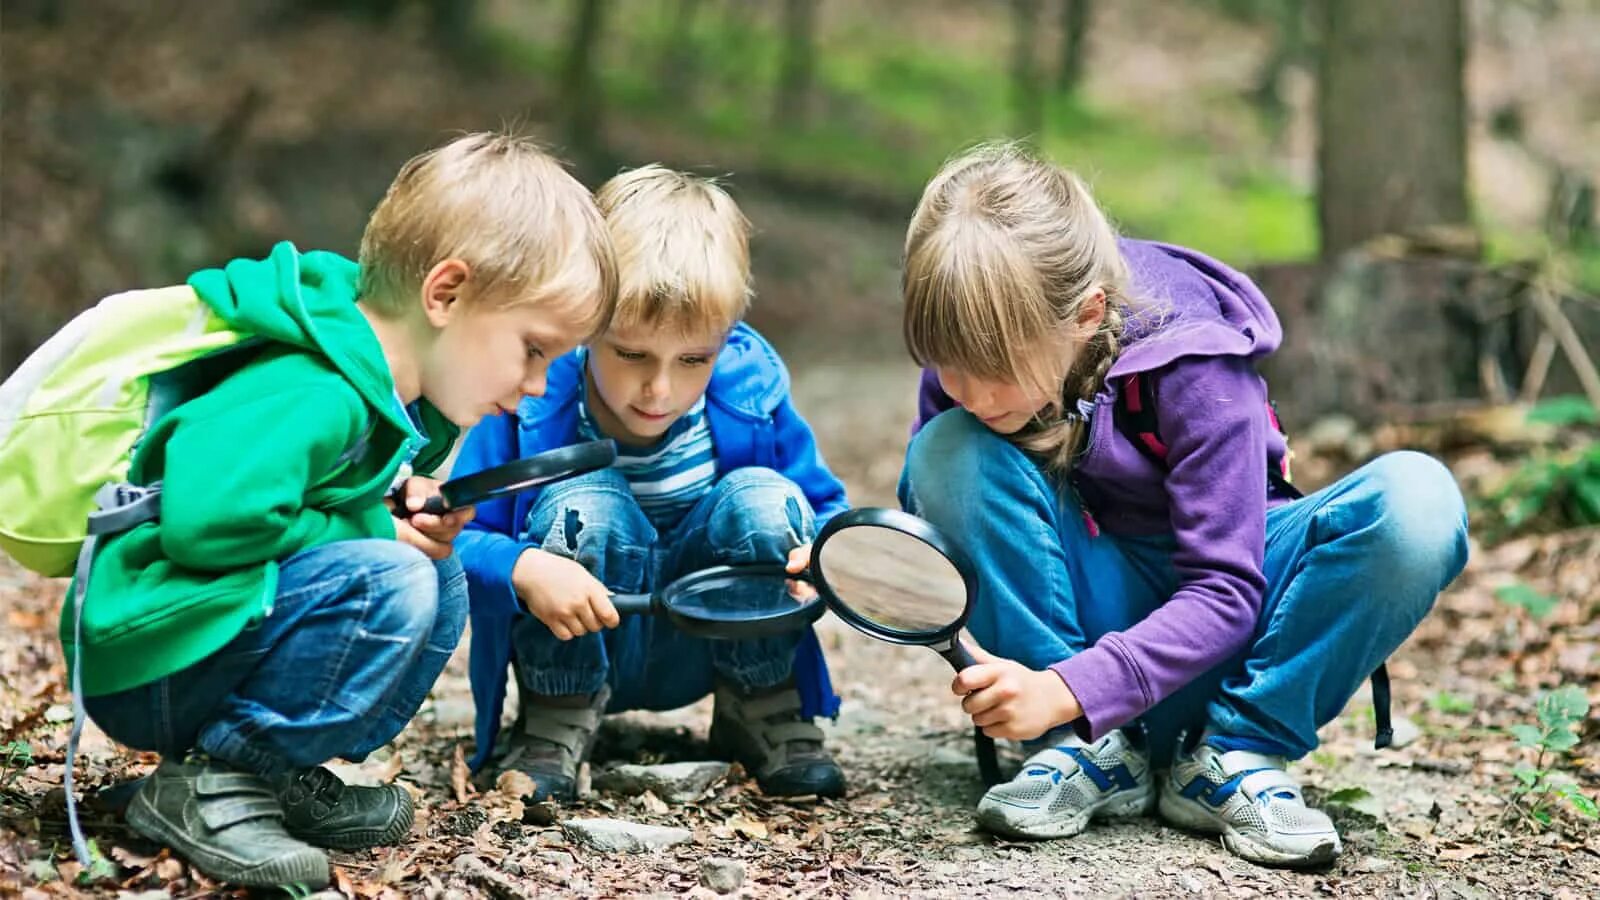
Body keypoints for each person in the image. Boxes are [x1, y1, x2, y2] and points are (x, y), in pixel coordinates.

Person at [62, 133, 617, 889]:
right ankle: (212, 782)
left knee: (435, 573)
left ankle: (263, 773)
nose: (540, 385)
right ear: (445, 293)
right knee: (393, 578)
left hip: (201, 636)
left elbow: (309, 507)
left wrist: (388, 507)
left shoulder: (370, 391)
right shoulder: (314, 387)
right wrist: (370, 528)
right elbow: (208, 521)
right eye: (533, 349)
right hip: (151, 653)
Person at [896, 142, 1469, 867]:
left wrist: (1068, 688)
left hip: (1230, 644)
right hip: (1078, 661)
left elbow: (1227, 591)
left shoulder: (1196, 366)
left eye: (995, 371)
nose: (969, 393)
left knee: (1419, 501)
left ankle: (1235, 754)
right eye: (948, 366)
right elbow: (946, 532)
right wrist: (861, 562)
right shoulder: (969, 379)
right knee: (947, 450)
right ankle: (1083, 755)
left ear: (1086, 314)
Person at [457, 166, 849, 803]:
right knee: (584, 499)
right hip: (581, 634)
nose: (660, 390)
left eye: (693, 359)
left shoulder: (751, 395)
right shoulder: (532, 402)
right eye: (631, 354)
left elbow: (826, 509)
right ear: (585, 327)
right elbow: (461, 539)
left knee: (764, 498)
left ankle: (760, 703)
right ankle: (557, 716)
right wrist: (524, 566)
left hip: (709, 636)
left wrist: (823, 555)